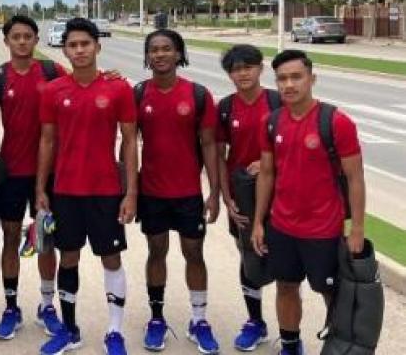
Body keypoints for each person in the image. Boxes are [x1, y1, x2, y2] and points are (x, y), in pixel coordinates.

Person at [252, 50, 366, 355]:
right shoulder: (271, 121)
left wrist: (357, 228)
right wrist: (258, 222)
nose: (289, 84)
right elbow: (266, 173)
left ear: (311, 79)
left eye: (296, 77)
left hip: (324, 230)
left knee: (332, 292)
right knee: (286, 287)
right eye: (282, 79)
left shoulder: (336, 122)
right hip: (282, 226)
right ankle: (290, 345)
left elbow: (355, 178)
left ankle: (340, 346)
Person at [36, 17, 138, 355]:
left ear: (98, 46)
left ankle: (114, 331)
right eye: (73, 45)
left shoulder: (118, 88)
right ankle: (69, 330)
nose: (79, 50)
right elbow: (47, 142)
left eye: (85, 44)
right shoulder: (53, 91)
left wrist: (131, 192)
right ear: (64, 49)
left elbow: (129, 142)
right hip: (65, 191)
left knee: (111, 258)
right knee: (68, 258)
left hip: (106, 191)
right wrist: (41, 189)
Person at [0, 14, 66, 340]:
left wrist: (111, 79)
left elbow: (84, 91)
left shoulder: (52, 72)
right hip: (10, 173)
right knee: (12, 238)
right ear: (6, 41)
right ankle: (11, 307)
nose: (21, 41)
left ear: (35, 40)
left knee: (45, 240)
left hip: (48, 174)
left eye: (28, 36)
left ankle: (47, 306)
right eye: (15, 36)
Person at [135, 29, 221, 354]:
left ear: (178, 53)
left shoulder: (198, 95)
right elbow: (128, 144)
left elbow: (210, 145)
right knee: (156, 253)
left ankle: (198, 320)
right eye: (153, 50)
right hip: (152, 193)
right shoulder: (139, 93)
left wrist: (214, 192)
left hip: (187, 194)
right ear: (147, 56)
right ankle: (156, 318)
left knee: (194, 254)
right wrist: (128, 190)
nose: (159, 54)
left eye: (166, 49)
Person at [217, 44, 278, 351]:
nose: (242, 73)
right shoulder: (226, 107)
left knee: (284, 260)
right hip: (242, 195)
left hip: (281, 195)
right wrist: (226, 198)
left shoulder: (278, 102)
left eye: (248, 67)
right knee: (249, 257)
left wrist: (271, 163)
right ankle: (256, 321)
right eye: (235, 69)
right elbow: (218, 155)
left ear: (260, 68)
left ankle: (290, 332)